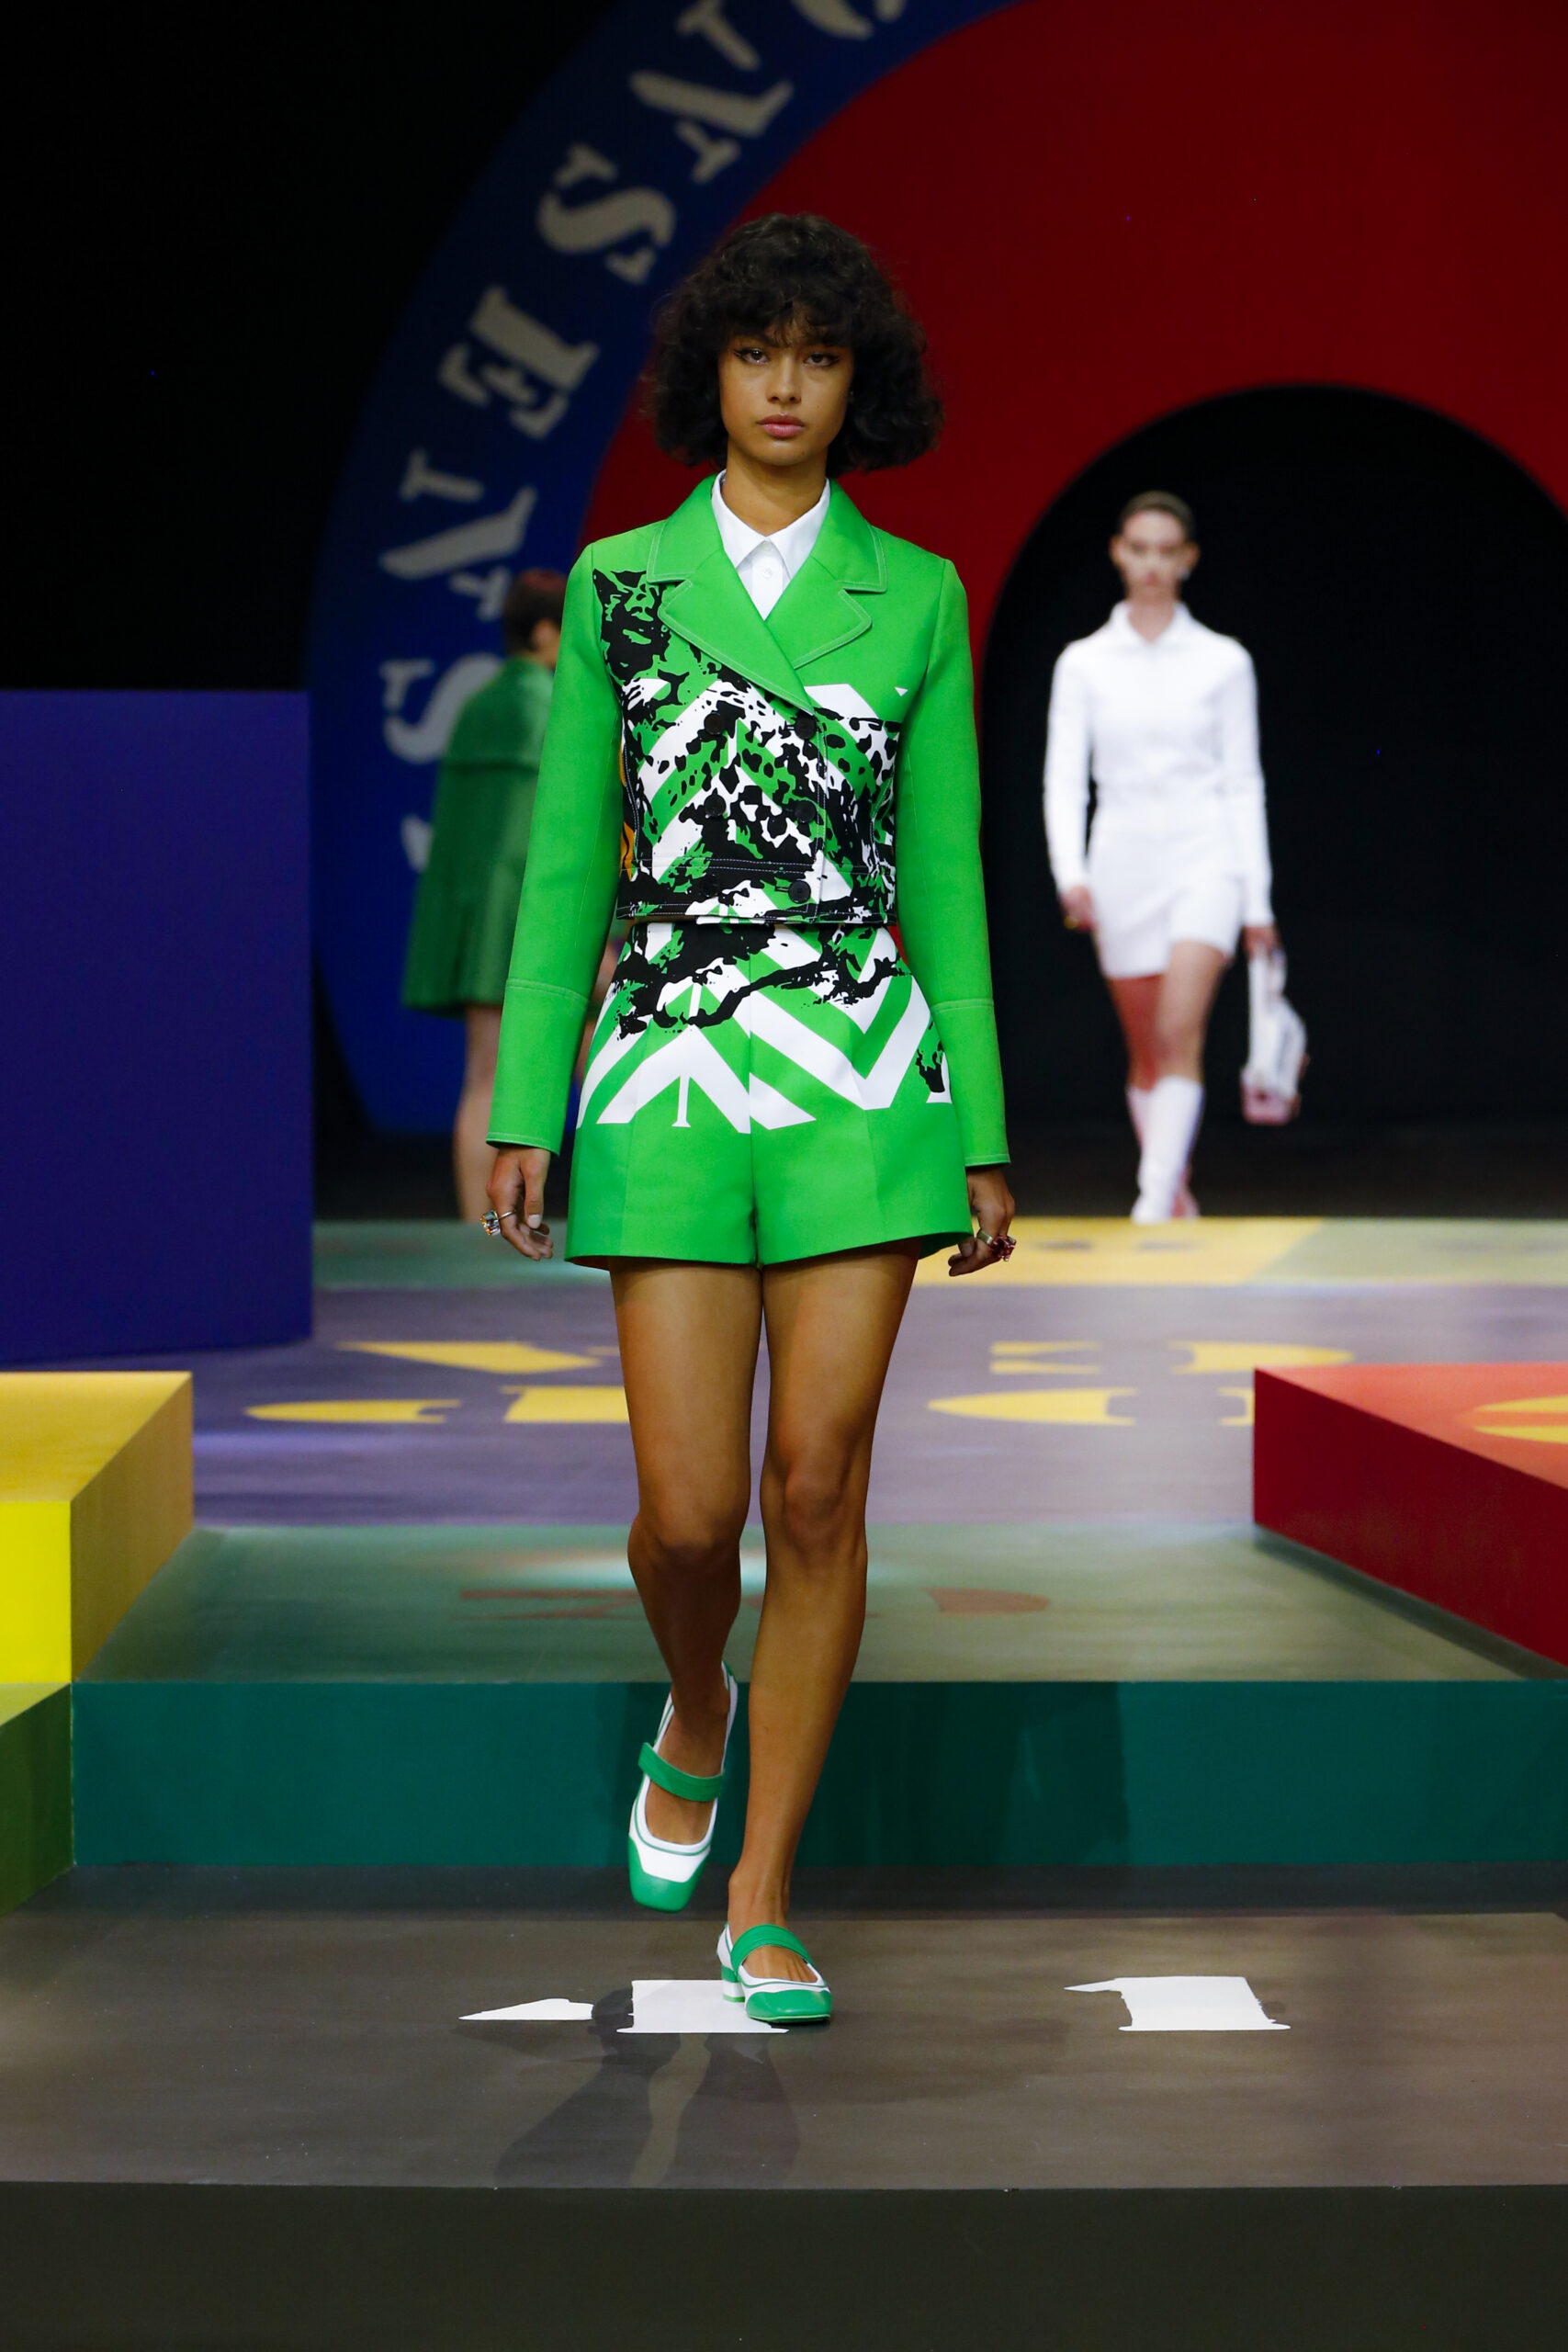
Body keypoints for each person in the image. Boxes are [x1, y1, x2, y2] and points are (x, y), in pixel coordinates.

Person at [484, 214, 1014, 2024]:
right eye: (753, 351)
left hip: (860, 1068)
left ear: (861, 383)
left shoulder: (917, 596)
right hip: (666, 1062)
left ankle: (765, 1891)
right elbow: (568, 866)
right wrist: (529, 1095)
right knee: (689, 1508)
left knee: (816, 1482)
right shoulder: (619, 585)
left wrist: (981, 1127)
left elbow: (943, 876)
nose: (784, 386)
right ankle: (696, 1698)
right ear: (708, 370)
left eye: (819, 355)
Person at [1042, 492, 1279, 1220]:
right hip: (1120, 864)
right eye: (1138, 548)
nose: (1151, 564)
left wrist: (1256, 901)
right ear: (1118, 552)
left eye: (1165, 551)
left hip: (1205, 857)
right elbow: (1063, 777)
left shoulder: (1222, 662)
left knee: (1178, 1032)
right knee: (1147, 1050)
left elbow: (1242, 781)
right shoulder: (1083, 662)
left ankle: (1149, 1202)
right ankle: (1173, 1194)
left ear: (1187, 559)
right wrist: (1070, 874)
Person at [402, 567, 568, 1220]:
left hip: (480, 924)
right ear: (545, 631)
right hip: (537, 920)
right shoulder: (551, 706)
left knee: (484, 1074)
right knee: (615, 1050)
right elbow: (564, 834)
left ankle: (481, 1230)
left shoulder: (477, 707)